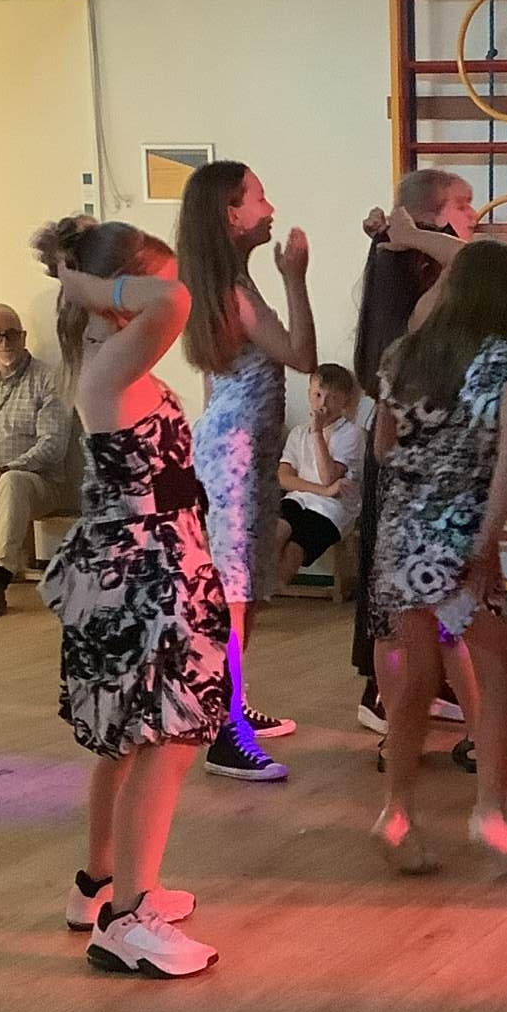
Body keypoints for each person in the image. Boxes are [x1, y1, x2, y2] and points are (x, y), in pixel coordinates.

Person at [33, 216, 226, 979]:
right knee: (165, 741)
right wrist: (82, 282)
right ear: (115, 292)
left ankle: (100, 886)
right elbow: (173, 301)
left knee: (127, 740)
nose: (159, 298)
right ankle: (129, 920)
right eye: (141, 284)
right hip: (146, 576)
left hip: (149, 566)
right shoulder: (108, 364)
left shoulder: (106, 358)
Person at [370, 239, 507, 876]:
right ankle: (490, 813)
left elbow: (383, 449)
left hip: (400, 533)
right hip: (462, 533)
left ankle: (396, 810)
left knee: (414, 682)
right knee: (494, 677)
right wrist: (488, 542)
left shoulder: (402, 355)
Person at [178, 160, 316, 781]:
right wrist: (296, 278)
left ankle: (232, 703)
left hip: (238, 449)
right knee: (233, 593)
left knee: (246, 587)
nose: (271, 208)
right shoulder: (234, 290)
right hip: (235, 453)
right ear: (231, 215)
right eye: (258, 198)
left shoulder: (225, 281)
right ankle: (223, 730)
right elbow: (303, 356)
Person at [352, 171, 478, 731]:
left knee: (424, 590)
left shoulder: (409, 259)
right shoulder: (403, 265)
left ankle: (420, 689)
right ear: (431, 215)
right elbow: (471, 264)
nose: (473, 216)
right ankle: (386, 697)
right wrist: (407, 233)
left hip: (422, 449)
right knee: (402, 595)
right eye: (463, 205)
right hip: (407, 450)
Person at [0, 303, 71, 619]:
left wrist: (1, 471)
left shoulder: (49, 379)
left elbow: (52, 447)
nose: (5, 342)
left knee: (11, 481)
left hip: (37, 484)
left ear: (24, 336)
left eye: (12, 334)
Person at [274, 363, 364, 590]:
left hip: (333, 508)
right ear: (309, 395)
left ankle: (270, 592)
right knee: (275, 531)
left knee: (295, 548)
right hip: (299, 498)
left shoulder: (350, 433)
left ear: (345, 400)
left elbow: (328, 478)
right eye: (318, 395)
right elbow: (283, 478)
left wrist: (317, 432)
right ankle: (251, 593)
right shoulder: (298, 433)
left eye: (332, 398)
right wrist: (323, 490)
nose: (323, 404)